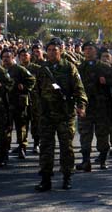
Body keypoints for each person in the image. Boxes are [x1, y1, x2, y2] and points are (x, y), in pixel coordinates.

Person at [35, 38, 87, 192]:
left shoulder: (69, 68)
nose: (51, 52)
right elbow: (37, 91)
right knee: (46, 147)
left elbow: (79, 89)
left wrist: (81, 106)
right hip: (46, 115)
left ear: (60, 51)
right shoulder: (42, 69)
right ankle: (46, 179)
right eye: (49, 50)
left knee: (66, 147)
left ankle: (67, 177)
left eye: (54, 50)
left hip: (65, 114)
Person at [76, 41, 112, 171]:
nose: (88, 51)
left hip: (102, 107)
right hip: (86, 107)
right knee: (85, 135)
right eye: (86, 49)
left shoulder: (104, 67)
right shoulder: (80, 68)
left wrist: (107, 82)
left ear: (96, 51)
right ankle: (86, 161)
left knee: (102, 134)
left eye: (91, 48)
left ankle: (103, 160)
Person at [1, 48, 35, 160]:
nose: (6, 59)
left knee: (21, 126)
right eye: (4, 57)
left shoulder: (19, 69)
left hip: (18, 102)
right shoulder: (0, 70)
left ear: (12, 57)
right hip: (5, 102)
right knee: (6, 126)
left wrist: (24, 87)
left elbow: (31, 79)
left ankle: (22, 147)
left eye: (8, 57)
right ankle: (5, 149)